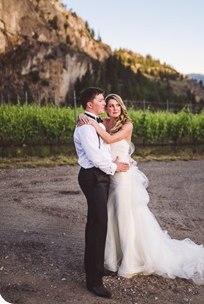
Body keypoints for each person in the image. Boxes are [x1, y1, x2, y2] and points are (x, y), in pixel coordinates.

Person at [78, 93, 204, 285]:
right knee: (110, 217)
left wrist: (91, 123)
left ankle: (131, 261)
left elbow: (108, 140)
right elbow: (92, 123)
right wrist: (83, 118)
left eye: (117, 105)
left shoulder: (127, 125)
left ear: (122, 107)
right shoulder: (103, 122)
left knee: (125, 217)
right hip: (108, 174)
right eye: (109, 105)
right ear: (106, 108)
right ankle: (111, 260)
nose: (113, 108)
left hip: (123, 176)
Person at [73, 87, 130, 299]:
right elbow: (96, 158)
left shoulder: (93, 122)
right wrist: (114, 168)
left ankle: (95, 268)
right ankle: (94, 281)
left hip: (101, 175)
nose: (104, 104)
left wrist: (111, 163)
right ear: (90, 105)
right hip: (94, 177)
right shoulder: (86, 127)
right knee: (98, 225)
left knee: (99, 223)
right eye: (100, 100)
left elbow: (104, 149)